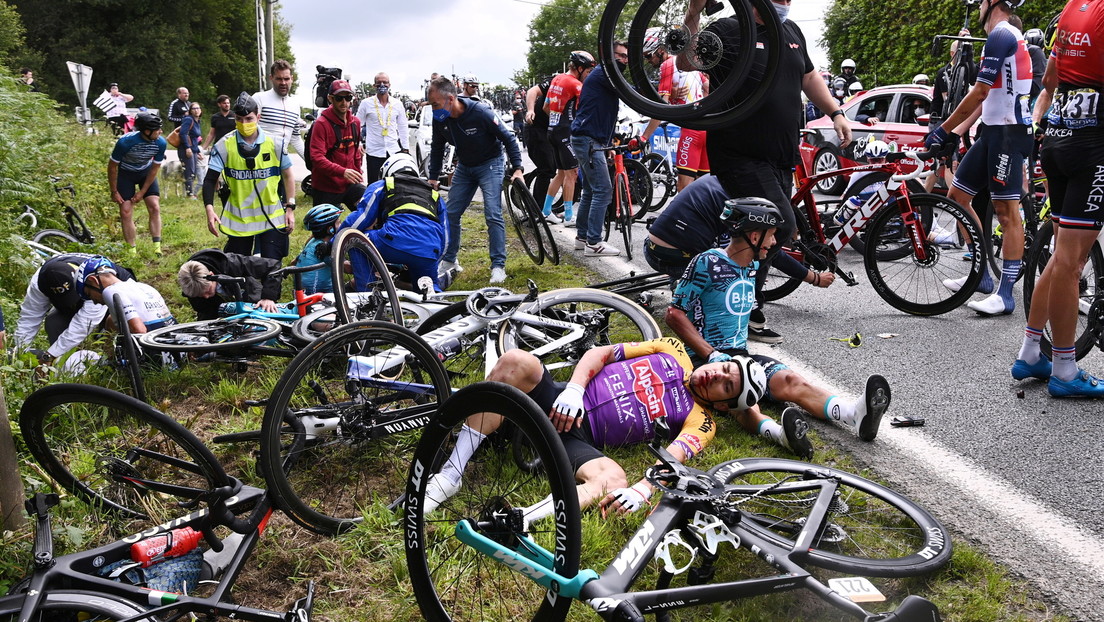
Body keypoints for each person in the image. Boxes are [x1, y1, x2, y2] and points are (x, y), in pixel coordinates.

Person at [420, 336, 770, 517]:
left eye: (726, 386)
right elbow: (600, 354)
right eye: (726, 369)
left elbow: (672, 459)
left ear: (725, 405)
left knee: (614, 478)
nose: (717, 376)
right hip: (558, 400)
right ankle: (450, 476)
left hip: (578, 439)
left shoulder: (703, 421)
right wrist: (574, 389)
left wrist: (642, 490)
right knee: (515, 361)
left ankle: (523, 518)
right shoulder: (671, 350)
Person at [678, 0, 852, 344]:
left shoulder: (790, 31)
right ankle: (743, 307)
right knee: (779, 225)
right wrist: (693, 14)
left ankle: (731, 304)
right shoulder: (729, 29)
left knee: (755, 233)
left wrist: (836, 111)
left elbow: (808, 76)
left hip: (779, 156)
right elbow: (687, 61)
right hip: (739, 153)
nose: (786, 3)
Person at [664, 198, 890, 456]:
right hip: (706, 360)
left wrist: (812, 276)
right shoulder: (708, 262)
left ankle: (855, 415)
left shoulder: (751, 266)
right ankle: (781, 435)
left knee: (791, 380)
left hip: (740, 356)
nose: (773, 243)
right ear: (754, 235)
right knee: (745, 402)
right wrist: (711, 354)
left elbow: (779, 259)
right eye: (771, 236)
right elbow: (674, 314)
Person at [1011, 0, 1104, 398]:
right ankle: (1065, 369)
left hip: (1059, 137)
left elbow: (1050, 76)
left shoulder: (1072, 8)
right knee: (1071, 261)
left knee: (1065, 255)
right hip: (1092, 145)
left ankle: (1032, 350)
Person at [926, 0, 1033, 316]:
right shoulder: (997, 38)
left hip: (1009, 133)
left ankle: (1005, 295)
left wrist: (944, 130)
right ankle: (981, 275)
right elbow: (984, 97)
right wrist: (957, 131)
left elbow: (980, 93)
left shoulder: (1002, 34)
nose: (977, 6)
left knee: (1005, 211)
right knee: (957, 196)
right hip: (991, 131)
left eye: (982, 2)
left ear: (993, 3)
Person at [643, 174, 834, 309]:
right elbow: (766, 250)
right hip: (678, 260)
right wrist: (813, 278)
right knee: (739, 261)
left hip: (652, 249)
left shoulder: (720, 178)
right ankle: (689, 288)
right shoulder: (741, 205)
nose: (775, 238)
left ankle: (681, 280)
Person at [426, 76, 524, 284]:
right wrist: (433, 177)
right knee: (451, 213)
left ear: (450, 99)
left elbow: (509, 138)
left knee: (492, 213)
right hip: (466, 166)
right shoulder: (440, 119)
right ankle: (450, 260)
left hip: (490, 162)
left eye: (435, 104)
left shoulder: (480, 112)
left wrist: (518, 168)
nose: (434, 110)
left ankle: (498, 266)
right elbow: (437, 148)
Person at [202, 92, 296, 261]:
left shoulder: (275, 143)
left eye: (249, 119)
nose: (244, 123)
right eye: (239, 119)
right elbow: (210, 180)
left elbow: (288, 176)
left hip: (272, 219)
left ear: (258, 117)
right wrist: (209, 209)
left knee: (272, 271)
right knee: (238, 272)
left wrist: (290, 208)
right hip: (239, 222)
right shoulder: (224, 145)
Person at [339, 153, 449, 291]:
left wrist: (335, 242)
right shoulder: (435, 195)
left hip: (393, 240)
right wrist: (433, 257)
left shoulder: (384, 184)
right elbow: (446, 238)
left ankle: (367, 295)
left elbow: (361, 218)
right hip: (429, 249)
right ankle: (435, 302)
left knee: (355, 240)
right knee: (428, 291)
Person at [569, 41, 633, 257]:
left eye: (626, 57)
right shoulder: (606, 74)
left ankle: (582, 237)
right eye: (621, 56)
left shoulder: (602, 74)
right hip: (588, 140)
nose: (624, 60)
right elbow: (630, 93)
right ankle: (594, 243)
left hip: (587, 139)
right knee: (603, 190)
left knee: (589, 189)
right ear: (609, 54)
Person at [13, 254, 133, 365]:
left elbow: (82, 325)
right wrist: (19, 354)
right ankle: (61, 365)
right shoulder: (39, 283)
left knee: (110, 330)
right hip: (84, 295)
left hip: (112, 297)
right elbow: (29, 319)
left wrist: (49, 355)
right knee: (53, 322)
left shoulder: (91, 280)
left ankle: (110, 367)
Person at [645, 27, 710, 192]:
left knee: (684, 188)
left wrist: (644, 137)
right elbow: (708, 89)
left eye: (648, 55)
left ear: (660, 50)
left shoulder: (668, 65)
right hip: (708, 129)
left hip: (691, 131)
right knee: (704, 188)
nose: (648, 61)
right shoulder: (689, 63)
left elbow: (660, 108)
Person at [543, 51, 596, 225]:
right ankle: (567, 216)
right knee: (572, 174)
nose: (588, 76)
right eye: (587, 72)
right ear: (580, 68)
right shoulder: (575, 84)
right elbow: (585, 111)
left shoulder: (556, 79)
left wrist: (556, 119)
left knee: (561, 173)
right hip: (565, 132)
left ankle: (545, 211)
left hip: (552, 130)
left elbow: (545, 107)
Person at [108, 111, 166, 256]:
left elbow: (154, 168)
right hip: (126, 174)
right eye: (157, 129)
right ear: (146, 131)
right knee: (125, 211)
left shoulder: (160, 143)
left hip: (145, 173)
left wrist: (142, 192)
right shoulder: (125, 142)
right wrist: (114, 191)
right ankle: (132, 250)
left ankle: (157, 247)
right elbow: (112, 167)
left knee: (154, 206)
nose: (161, 132)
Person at [77, 256, 175, 335]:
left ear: (93, 280)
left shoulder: (110, 291)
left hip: (156, 352)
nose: (94, 302)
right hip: (174, 343)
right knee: (110, 321)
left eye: (89, 295)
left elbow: (139, 331)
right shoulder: (144, 287)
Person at [178, 248, 282, 320]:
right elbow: (205, 312)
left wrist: (268, 297)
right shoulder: (191, 286)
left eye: (208, 291)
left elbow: (272, 266)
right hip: (221, 311)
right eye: (199, 295)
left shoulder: (231, 264)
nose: (205, 296)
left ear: (211, 275)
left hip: (250, 297)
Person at [309, 79, 365, 210]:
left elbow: (355, 152)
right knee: (324, 229)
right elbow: (316, 158)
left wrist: (358, 174)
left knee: (371, 214)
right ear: (330, 98)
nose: (344, 102)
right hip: (326, 187)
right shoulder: (321, 124)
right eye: (339, 98)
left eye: (348, 97)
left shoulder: (355, 122)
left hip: (349, 184)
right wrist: (342, 171)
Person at [254, 59, 305, 202]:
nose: (283, 83)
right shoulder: (259, 98)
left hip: (282, 162)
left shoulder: (295, 105)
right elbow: (247, 130)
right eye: (279, 79)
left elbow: (295, 138)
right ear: (271, 78)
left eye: (286, 79)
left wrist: (311, 161)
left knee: (280, 205)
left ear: (292, 79)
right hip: (260, 163)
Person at [356, 72, 409, 185]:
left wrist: (405, 148)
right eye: (379, 82)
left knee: (394, 185)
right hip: (374, 152)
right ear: (374, 85)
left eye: (384, 82)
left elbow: (403, 126)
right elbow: (356, 124)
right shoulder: (366, 104)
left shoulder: (397, 104)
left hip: (393, 150)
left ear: (389, 84)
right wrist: (359, 143)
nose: (382, 85)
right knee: (375, 185)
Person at [524, 77, 556, 221]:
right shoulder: (557, 81)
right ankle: (537, 213)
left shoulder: (580, 86)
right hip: (537, 128)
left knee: (556, 166)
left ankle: (547, 209)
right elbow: (532, 91)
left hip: (552, 131)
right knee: (547, 168)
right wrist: (530, 110)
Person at [294, 204, 342, 295]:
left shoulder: (312, 241)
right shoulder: (325, 248)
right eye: (339, 223)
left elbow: (295, 261)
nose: (341, 225)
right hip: (316, 293)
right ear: (330, 230)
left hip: (300, 289)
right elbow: (348, 269)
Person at [179, 102, 204, 199]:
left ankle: (190, 192)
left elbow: (194, 139)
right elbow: (183, 134)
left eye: (198, 108)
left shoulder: (197, 121)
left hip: (193, 149)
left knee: (193, 172)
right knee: (189, 171)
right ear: (190, 111)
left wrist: (198, 151)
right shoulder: (188, 120)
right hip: (186, 149)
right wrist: (187, 148)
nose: (196, 110)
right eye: (194, 108)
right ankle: (189, 194)